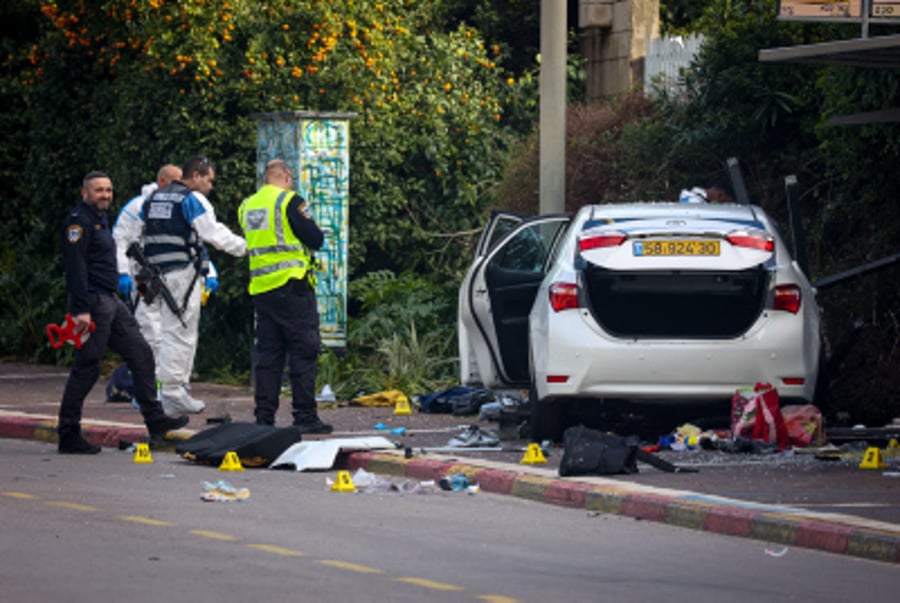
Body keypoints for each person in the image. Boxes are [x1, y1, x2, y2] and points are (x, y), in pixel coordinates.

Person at [57, 171, 189, 454]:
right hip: (92, 302)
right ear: (85, 194)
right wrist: (81, 310)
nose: (105, 195)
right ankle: (68, 434)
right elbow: (76, 267)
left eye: (108, 189)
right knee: (87, 367)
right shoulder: (78, 223)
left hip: (109, 301)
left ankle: (156, 423)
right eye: (98, 190)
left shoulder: (100, 221)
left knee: (141, 353)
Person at [119, 156, 246, 417]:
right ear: (196, 175)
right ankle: (174, 393)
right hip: (181, 275)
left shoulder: (154, 199)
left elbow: (136, 239)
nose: (211, 186)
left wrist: (136, 276)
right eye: (209, 179)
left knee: (162, 334)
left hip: (154, 276)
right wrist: (248, 248)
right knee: (180, 333)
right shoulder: (192, 199)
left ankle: (159, 391)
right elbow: (214, 234)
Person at [238, 159, 331, 433]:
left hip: (262, 289)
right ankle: (305, 417)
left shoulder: (247, 206)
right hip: (292, 285)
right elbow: (314, 238)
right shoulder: (289, 201)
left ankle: (264, 418)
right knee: (303, 350)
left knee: (269, 355)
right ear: (287, 177)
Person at [113, 164, 219, 401]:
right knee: (152, 335)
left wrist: (208, 272)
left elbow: (191, 241)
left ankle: (176, 387)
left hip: (175, 278)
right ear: (161, 180)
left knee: (179, 334)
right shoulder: (139, 206)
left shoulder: (177, 203)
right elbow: (122, 242)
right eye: (174, 180)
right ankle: (151, 391)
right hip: (145, 280)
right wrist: (122, 273)